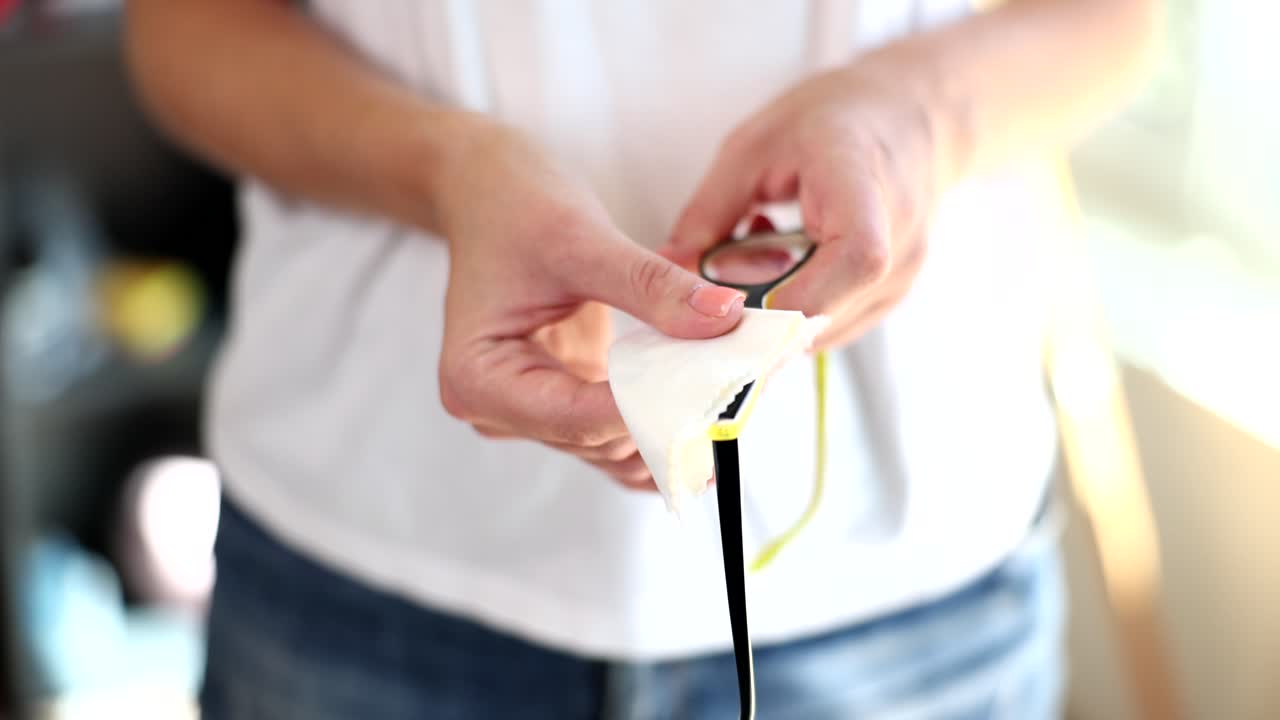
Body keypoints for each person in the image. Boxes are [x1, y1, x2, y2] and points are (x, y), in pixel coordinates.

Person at [126, 1, 1158, 717]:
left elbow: (1115, 19)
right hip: (366, 560)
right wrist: (443, 169)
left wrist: (916, 115)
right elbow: (184, 25)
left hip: (904, 593)